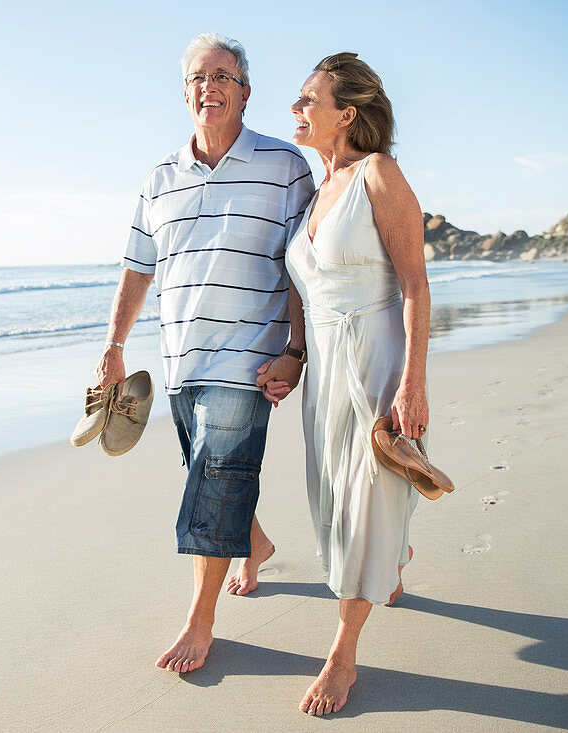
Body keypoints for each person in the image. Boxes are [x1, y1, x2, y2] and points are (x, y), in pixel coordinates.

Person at [95, 32, 314, 673]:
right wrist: (113, 345)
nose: (208, 87)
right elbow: (138, 268)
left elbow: (302, 268)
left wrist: (297, 350)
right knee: (213, 470)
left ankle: (200, 621)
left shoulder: (283, 166)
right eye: (197, 77)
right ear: (184, 92)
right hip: (180, 358)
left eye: (222, 76)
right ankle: (257, 543)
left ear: (245, 92)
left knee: (216, 477)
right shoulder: (159, 178)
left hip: (251, 360)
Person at [261, 52, 431, 715]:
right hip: (325, 367)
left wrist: (413, 383)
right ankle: (390, 554)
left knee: (366, 496)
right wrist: (294, 353)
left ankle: (344, 652)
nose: (297, 109)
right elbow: (302, 287)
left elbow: (415, 284)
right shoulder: (312, 192)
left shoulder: (378, 176)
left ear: (346, 114)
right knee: (335, 499)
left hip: (376, 356)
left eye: (309, 99)